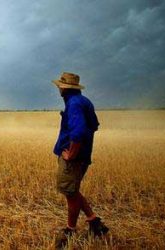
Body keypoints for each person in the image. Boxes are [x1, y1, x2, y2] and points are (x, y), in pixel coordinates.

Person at [51, 72, 109, 248]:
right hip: (83, 155)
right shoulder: (84, 101)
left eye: (60, 85)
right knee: (73, 190)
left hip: (74, 159)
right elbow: (94, 126)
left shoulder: (74, 104)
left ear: (65, 87)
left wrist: (73, 153)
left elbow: (78, 131)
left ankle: (70, 230)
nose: (58, 88)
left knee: (69, 192)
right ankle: (94, 222)